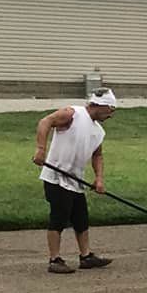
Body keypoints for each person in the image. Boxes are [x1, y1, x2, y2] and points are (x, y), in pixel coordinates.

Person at [32, 89, 117, 273]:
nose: (111, 114)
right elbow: (45, 121)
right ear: (99, 105)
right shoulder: (73, 114)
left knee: (81, 218)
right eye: (110, 109)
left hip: (76, 179)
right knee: (59, 217)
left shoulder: (98, 131)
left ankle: (86, 256)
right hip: (56, 177)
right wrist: (40, 149)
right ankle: (54, 259)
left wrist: (99, 179)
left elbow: (97, 155)